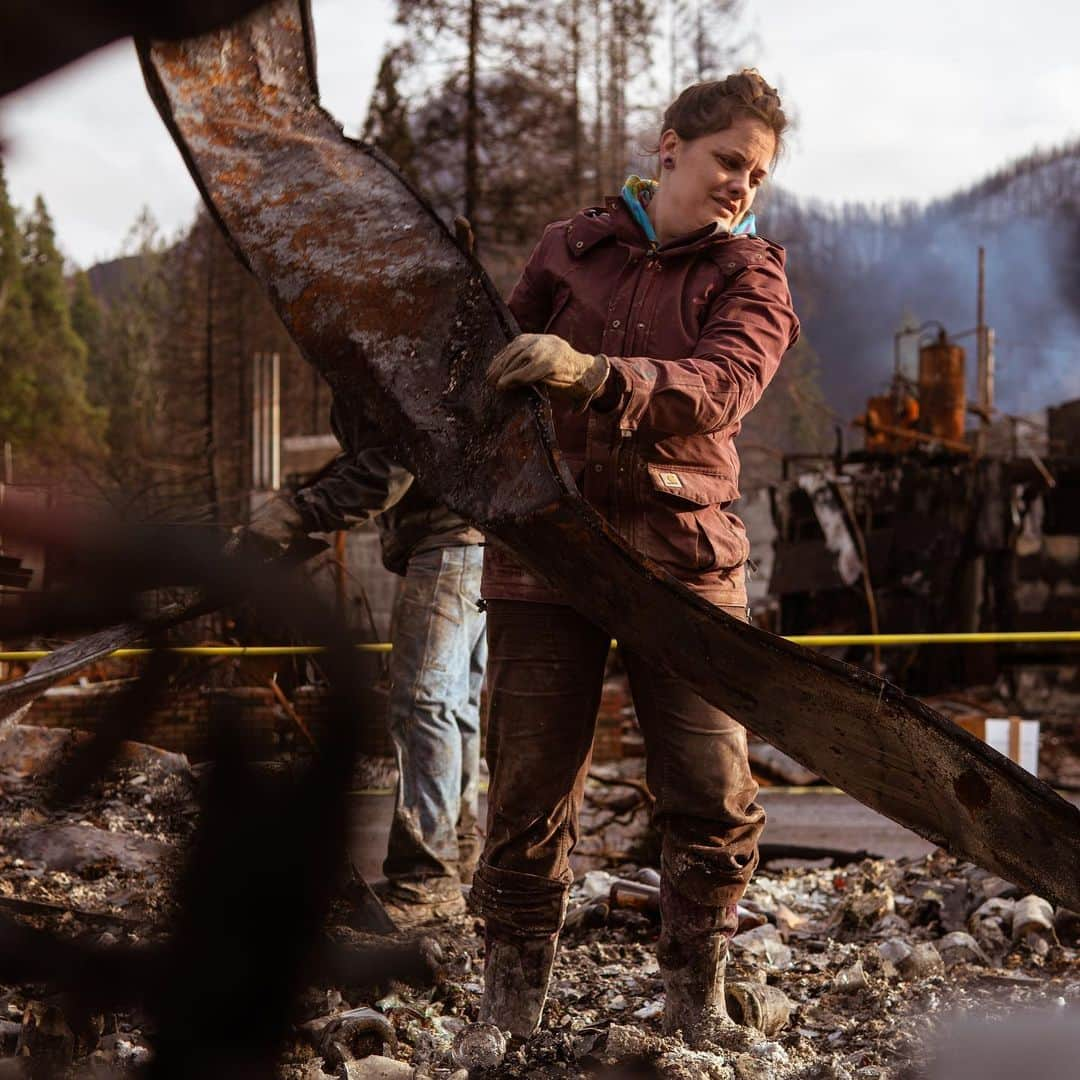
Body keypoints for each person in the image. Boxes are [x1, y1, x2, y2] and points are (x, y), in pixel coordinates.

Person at [470, 71, 800, 1045]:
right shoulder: (567, 253)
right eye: (729, 161)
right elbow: (485, 385)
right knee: (526, 791)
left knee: (711, 793)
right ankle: (508, 1014)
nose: (742, 185)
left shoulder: (752, 275)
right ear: (669, 150)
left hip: (683, 565)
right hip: (550, 558)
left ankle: (693, 1009)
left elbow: (723, 385)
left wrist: (597, 375)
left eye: (758, 175)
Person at [244, 419, 486, 923]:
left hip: (448, 541)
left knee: (425, 703)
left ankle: (428, 878)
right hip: (477, 538)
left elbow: (391, 465)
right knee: (455, 704)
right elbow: (374, 455)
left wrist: (299, 512)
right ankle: (457, 859)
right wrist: (302, 499)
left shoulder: (401, 353)